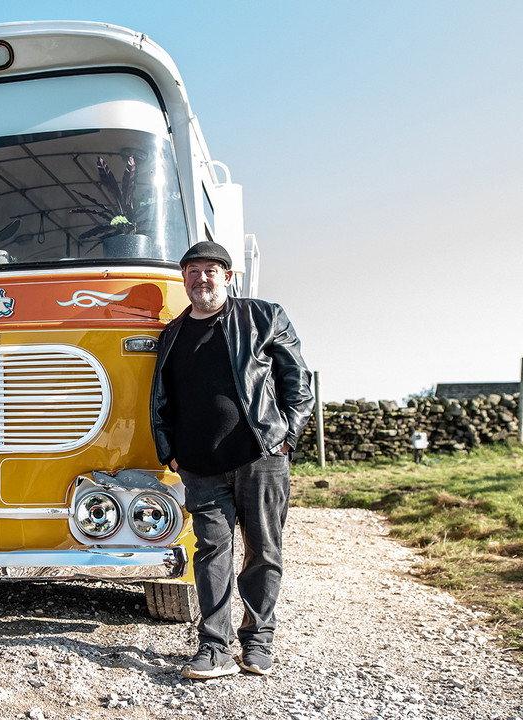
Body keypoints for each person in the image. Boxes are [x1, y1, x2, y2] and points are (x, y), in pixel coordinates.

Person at [150, 242, 313, 678]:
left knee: (263, 551)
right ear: (183, 279)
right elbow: (162, 399)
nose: (201, 278)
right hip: (200, 466)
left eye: (210, 270)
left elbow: (297, 381)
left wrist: (285, 438)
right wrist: (170, 452)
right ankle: (214, 647)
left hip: (260, 457)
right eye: (193, 271)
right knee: (211, 553)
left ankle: (258, 641)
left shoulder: (264, 316)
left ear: (227, 276)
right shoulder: (172, 334)